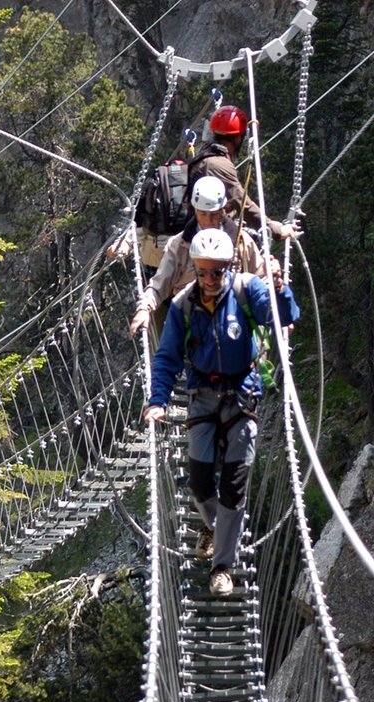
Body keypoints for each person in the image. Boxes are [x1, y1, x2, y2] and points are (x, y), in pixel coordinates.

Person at [142, 229, 300, 596]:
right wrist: (157, 401)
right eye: (203, 272)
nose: (210, 279)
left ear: (228, 267)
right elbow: (166, 357)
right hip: (202, 396)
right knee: (199, 481)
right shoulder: (183, 305)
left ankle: (222, 566)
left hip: (242, 395)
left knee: (233, 485)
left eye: (217, 271)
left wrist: (277, 287)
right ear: (195, 269)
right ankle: (216, 526)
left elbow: (283, 317)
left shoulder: (247, 290)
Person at [129, 176, 266, 340]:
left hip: (236, 326)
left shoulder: (241, 240)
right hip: (194, 328)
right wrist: (144, 308)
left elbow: (262, 279)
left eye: (214, 214)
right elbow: (159, 285)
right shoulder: (179, 245)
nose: (208, 220)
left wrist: (277, 309)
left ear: (223, 210)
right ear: (194, 210)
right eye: (203, 214)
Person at [187, 104, 299, 242]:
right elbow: (242, 203)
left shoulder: (206, 156)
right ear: (238, 138)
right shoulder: (218, 164)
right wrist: (275, 230)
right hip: (209, 237)